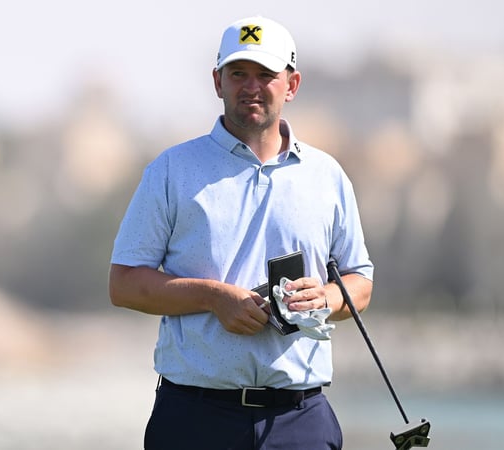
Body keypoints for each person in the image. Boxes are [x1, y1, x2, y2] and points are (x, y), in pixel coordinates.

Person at [109, 15, 373, 450]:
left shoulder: (327, 176)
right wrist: (214, 298)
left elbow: (359, 283)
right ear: (218, 81)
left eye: (266, 75)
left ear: (292, 85)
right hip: (195, 418)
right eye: (238, 73)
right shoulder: (172, 171)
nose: (251, 86)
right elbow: (124, 284)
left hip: (300, 419)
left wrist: (324, 298)